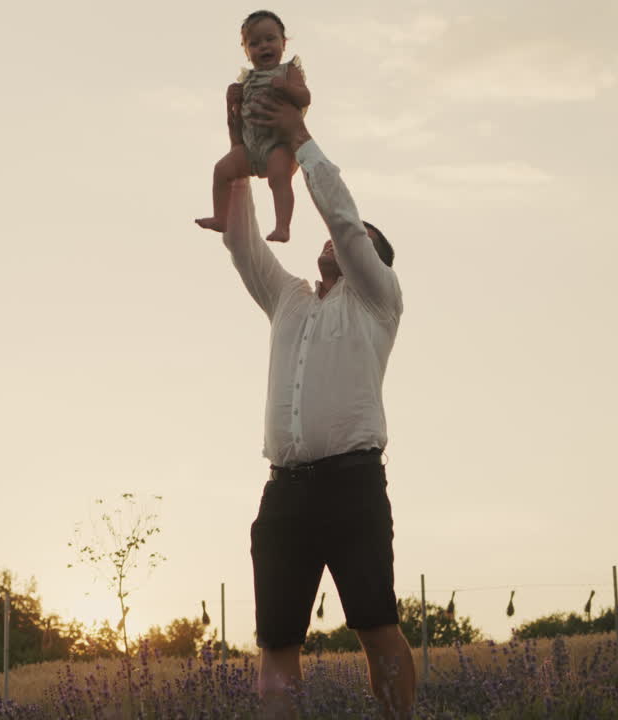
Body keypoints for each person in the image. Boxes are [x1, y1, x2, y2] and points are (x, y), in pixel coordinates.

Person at [214, 92, 415, 720]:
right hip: (285, 494)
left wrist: (300, 139)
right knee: (275, 639)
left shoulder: (378, 300)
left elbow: (346, 221)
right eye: (327, 236)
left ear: (369, 258)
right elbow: (243, 246)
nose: (333, 239)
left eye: (353, 239)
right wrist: (243, 160)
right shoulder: (291, 300)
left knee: (375, 623)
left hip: (353, 485)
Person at [195, 10, 309, 243]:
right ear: (246, 51)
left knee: (278, 176)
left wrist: (286, 88)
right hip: (250, 147)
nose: (263, 46)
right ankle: (220, 217)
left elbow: (304, 98)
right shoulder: (246, 80)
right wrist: (233, 98)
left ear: (283, 43)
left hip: (280, 144)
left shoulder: (288, 71)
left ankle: (282, 226)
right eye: (254, 43)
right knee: (221, 170)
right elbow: (238, 119)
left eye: (270, 39)